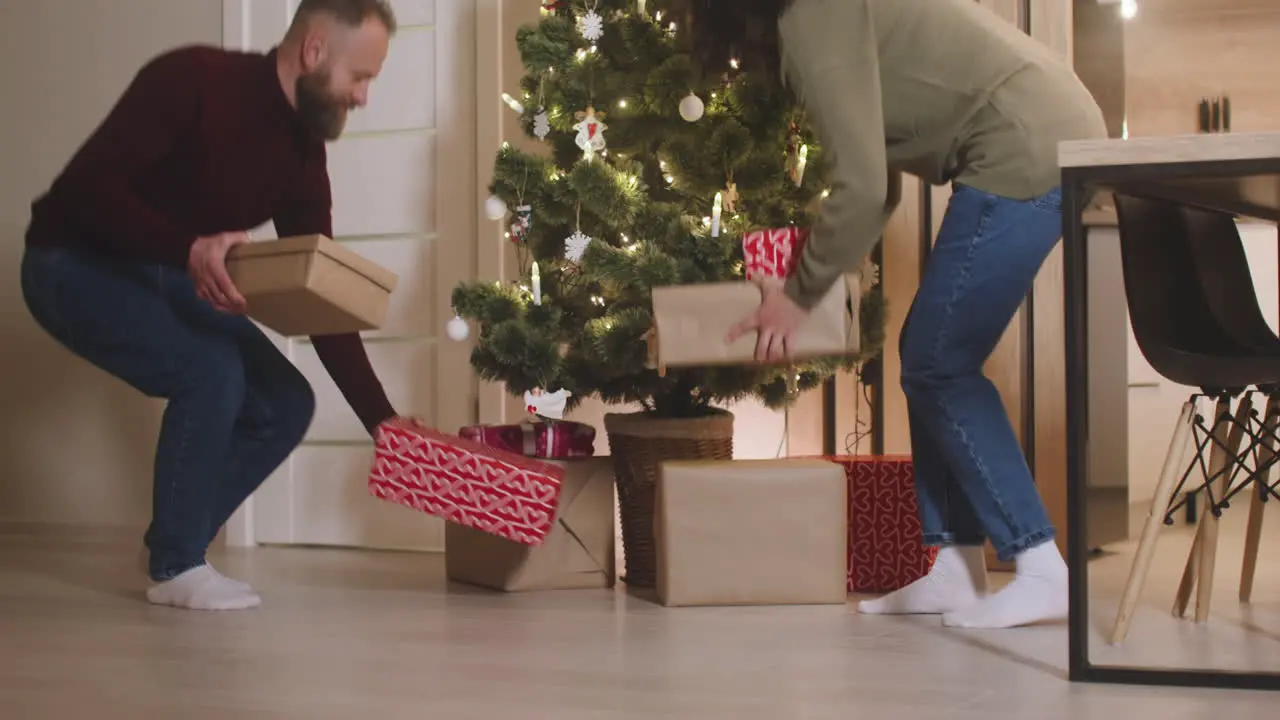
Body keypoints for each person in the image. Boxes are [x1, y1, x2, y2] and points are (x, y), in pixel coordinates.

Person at [705, 0, 1107, 629]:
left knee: (939, 361)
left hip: (1025, 139)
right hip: (1045, 125)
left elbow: (863, 187)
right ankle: (954, 567)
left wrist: (800, 293)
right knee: (929, 352)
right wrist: (811, 277)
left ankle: (1039, 564)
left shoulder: (807, 17)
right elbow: (880, 182)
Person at [20, 0, 403, 611]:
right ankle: (177, 567)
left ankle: (171, 540)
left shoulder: (303, 152)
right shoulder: (191, 81)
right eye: (361, 77)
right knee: (211, 370)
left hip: (163, 273)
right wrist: (187, 248)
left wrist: (383, 424)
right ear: (313, 51)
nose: (363, 98)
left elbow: (319, 294)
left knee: (284, 400)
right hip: (69, 264)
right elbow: (83, 194)